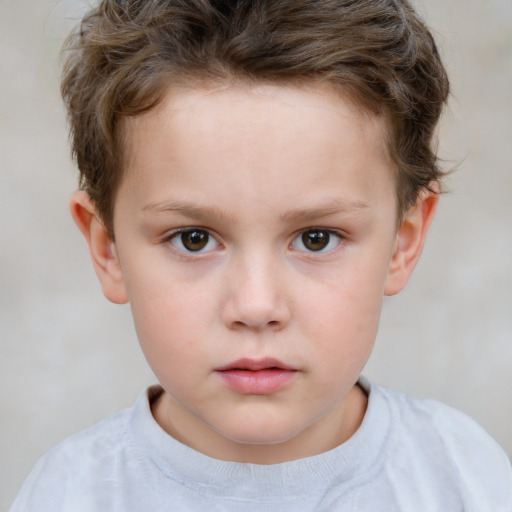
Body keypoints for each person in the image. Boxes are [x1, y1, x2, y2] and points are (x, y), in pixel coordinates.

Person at [9, 0, 512, 510]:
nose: (255, 307)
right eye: (193, 239)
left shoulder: (467, 477)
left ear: (403, 241)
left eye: (317, 238)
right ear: (108, 248)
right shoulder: (68, 495)